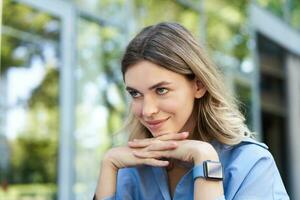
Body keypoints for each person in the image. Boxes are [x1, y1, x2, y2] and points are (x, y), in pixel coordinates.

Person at [94, 22, 289, 200]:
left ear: (198, 86)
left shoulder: (251, 164)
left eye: (161, 90)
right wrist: (108, 164)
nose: (147, 110)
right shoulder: (130, 169)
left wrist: (204, 158)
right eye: (136, 94)